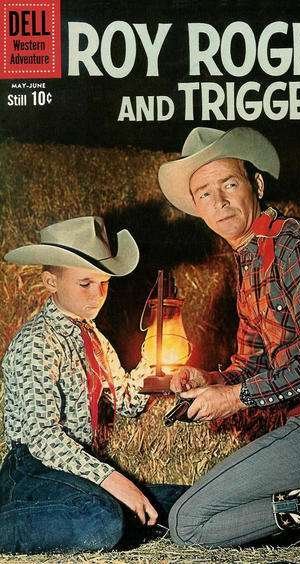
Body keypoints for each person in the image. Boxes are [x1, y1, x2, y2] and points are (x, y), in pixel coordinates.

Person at [158, 127, 300, 562]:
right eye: (204, 193)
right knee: (190, 520)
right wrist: (211, 380)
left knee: (188, 522)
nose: (219, 201)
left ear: (258, 185)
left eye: (229, 184)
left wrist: (236, 397)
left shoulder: (297, 244)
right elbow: (252, 364)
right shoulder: (250, 260)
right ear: (197, 208)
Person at [0, 216, 186, 554]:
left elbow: (127, 403)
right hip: (34, 472)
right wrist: (113, 481)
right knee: (100, 519)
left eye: (104, 283)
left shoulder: (95, 338)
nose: (97, 295)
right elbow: (42, 437)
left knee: (187, 503)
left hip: (82, 473)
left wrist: (156, 360)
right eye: (85, 283)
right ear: (51, 282)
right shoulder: (38, 342)